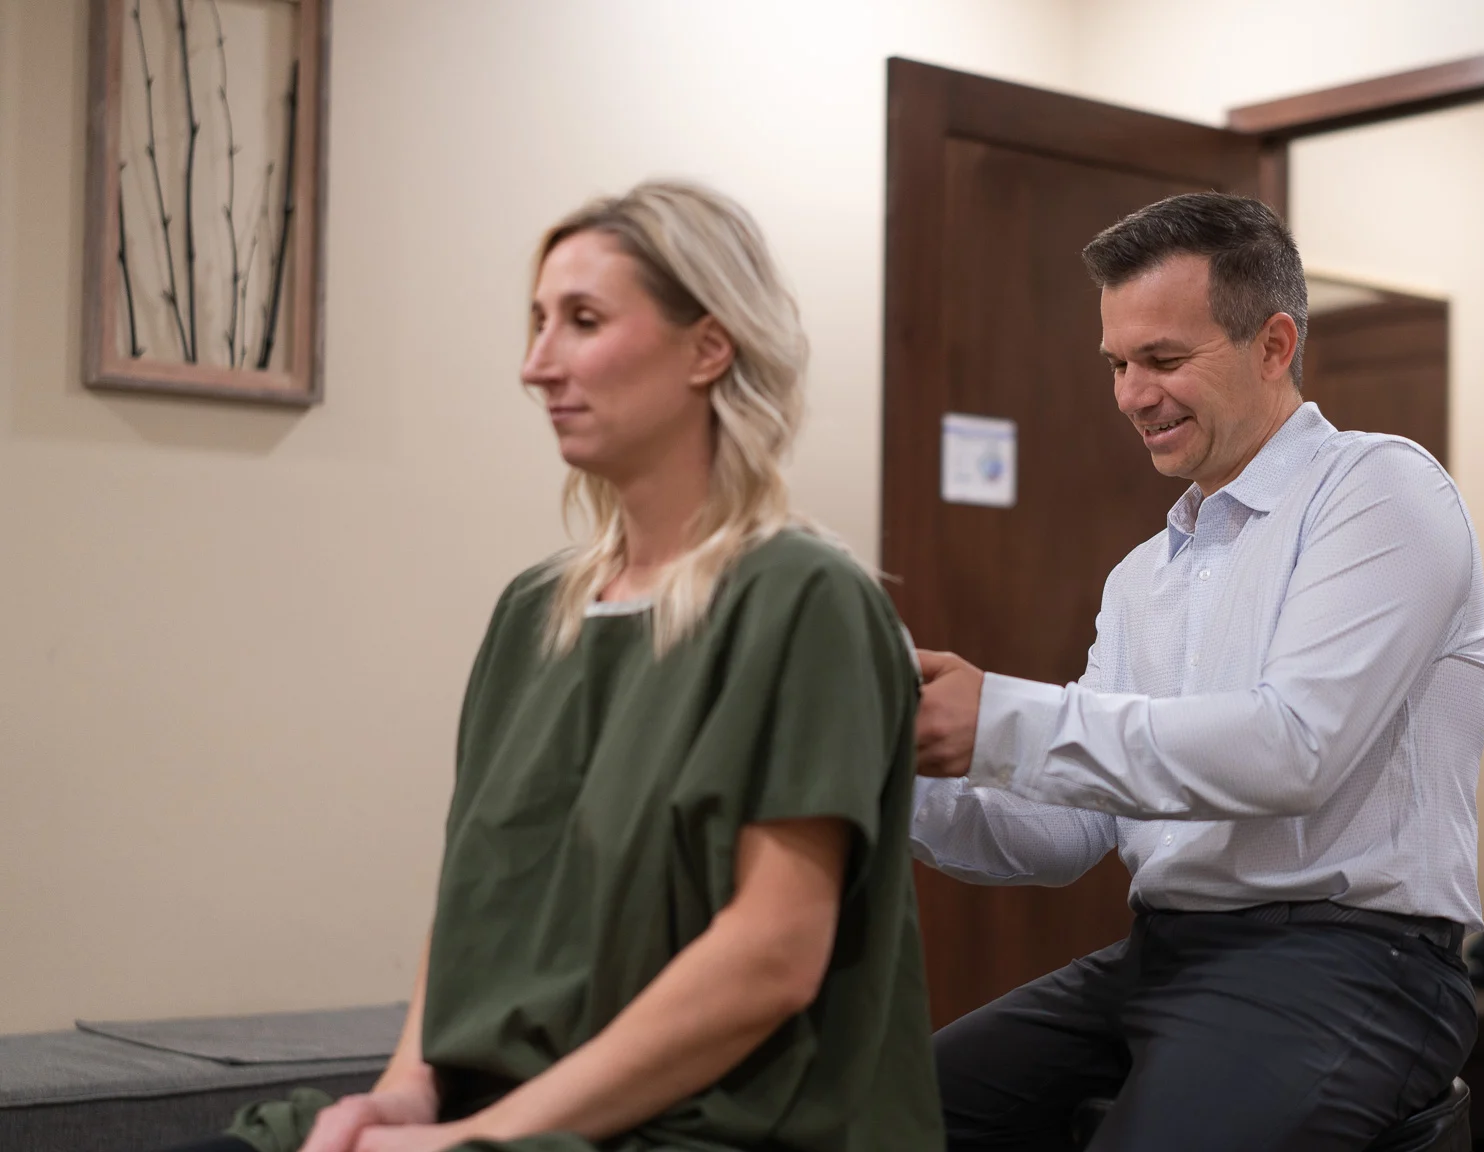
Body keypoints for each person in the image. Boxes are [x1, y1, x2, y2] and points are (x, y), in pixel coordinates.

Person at [162, 181, 942, 1152]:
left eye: (581, 321)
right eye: (536, 323)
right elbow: (472, 902)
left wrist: (465, 1144)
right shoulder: (536, 614)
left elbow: (771, 959)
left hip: (707, 1130)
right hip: (490, 1111)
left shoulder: (803, 601)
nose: (537, 366)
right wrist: (407, 1091)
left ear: (708, 346)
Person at [910, 192, 1484, 1150]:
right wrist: (894, 765)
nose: (1132, 395)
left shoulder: (1380, 491)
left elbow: (1292, 750)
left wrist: (999, 720)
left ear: (1273, 345)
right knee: (884, 1123)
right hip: (1167, 954)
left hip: (1355, 964)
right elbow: (1058, 834)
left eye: (1165, 361)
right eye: (1119, 364)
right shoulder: (1145, 576)